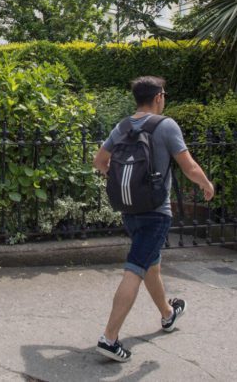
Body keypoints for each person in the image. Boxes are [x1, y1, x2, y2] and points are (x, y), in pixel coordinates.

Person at [92, 75, 215, 362]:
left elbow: (99, 162)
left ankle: (168, 313)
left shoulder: (122, 126)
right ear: (158, 97)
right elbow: (189, 166)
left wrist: (123, 179)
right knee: (135, 269)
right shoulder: (166, 125)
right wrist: (206, 184)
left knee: (151, 265)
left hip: (130, 210)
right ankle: (109, 338)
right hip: (156, 212)